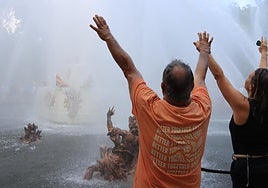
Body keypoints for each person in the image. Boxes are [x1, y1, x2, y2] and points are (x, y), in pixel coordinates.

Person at [90, 14, 213, 187]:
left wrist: (108, 37)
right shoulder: (203, 108)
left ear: (162, 87)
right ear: (191, 87)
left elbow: (129, 70)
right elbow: (201, 75)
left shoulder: (149, 108)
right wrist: (204, 52)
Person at [195, 37, 268, 187]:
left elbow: (219, 76)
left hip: (248, 170)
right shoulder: (263, 104)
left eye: (249, 76)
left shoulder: (243, 106)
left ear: (253, 87)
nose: (247, 76)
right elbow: (263, 76)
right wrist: (263, 54)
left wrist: (206, 53)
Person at [83, 107, 139, 181]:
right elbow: (111, 129)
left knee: (91, 168)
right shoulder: (137, 139)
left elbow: (113, 130)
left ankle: (84, 184)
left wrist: (109, 118)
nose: (134, 124)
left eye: (136, 122)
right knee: (103, 148)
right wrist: (108, 117)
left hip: (116, 161)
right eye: (133, 121)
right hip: (118, 159)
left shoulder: (131, 137)